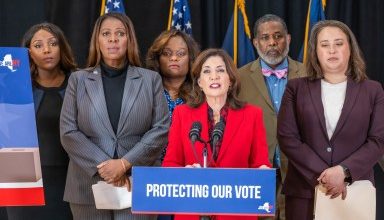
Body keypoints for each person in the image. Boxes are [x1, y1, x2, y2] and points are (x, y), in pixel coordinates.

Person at [60, 13, 170, 220]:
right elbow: (68, 132)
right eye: (106, 34)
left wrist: (124, 164)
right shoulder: (78, 80)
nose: (113, 39)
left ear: (129, 40)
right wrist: (105, 166)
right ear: (97, 40)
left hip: (136, 181)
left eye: (120, 33)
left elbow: (161, 129)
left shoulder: (151, 80)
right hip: (87, 185)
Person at [277, 20, 384, 220]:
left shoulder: (373, 90)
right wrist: (327, 176)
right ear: (315, 51)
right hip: (304, 193)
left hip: (354, 192)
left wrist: (344, 172)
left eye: (338, 43)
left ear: (350, 49)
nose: (332, 50)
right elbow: (287, 137)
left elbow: (378, 140)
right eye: (324, 45)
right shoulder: (295, 88)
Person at [162, 48, 271, 220]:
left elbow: (260, 162)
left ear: (230, 79)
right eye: (207, 71)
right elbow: (170, 163)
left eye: (220, 70)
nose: (214, 76)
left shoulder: (252, 115)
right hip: (192, 210)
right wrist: (185, 173)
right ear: (199, 82)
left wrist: (264, 172)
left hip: (236, 212)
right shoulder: (182, 114)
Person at [238, 14, 305, 220]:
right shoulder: (238, 77)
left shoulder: (308, 74)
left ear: (289, 39)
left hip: (298, 170)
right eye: (265, 38)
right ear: (256, 42)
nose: (272, 42)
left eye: (278, 36)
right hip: (256, 171)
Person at [7, 22, 77, 220]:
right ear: (28, 52)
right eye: (38, 45)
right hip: (23, 182)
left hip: (71, 181)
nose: (47, 50)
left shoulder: (80, 82)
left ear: (62, 47)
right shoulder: (13, 87)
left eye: (53, 43)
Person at [146, 29, 200, 162]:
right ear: (158, 59)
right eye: (167, 53)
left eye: (181, 54)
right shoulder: (145, 91)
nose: (174, 58)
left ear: (191, 59)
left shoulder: (202, 95)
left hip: (189, 170)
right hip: (149, 167)